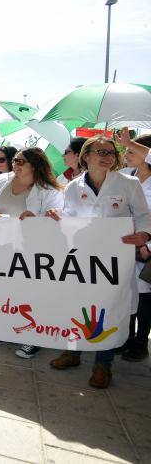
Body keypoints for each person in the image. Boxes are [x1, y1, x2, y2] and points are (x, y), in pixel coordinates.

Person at [45, 135, 151, 388]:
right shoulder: (72, 187)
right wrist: (58, 218)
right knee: (77, 304)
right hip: (82, 258)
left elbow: (144, 214)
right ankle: (73, 352)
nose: (107, 156)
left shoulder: (129, 183)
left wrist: (145, 234)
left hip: (115, 259)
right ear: (86, 156)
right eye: (100, 151)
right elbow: (70, 218)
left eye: (111, 152)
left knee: (109, 309)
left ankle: (103, 365)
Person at [0, 147, 64, 351]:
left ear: (35, 165)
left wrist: (36, 219)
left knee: (29, 294)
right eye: (15, 161)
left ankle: (32, 337)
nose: (15, 165)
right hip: (1, 245)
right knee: (1, 291)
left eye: (21, 162)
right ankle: (2, 330)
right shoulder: (1, 181)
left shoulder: (49, 190)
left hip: (31, 250)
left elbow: (56, 221)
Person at [116, 131, 151, 361]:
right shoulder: (125, 177)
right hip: (123, 245)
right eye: (126, 150)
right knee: (126, 294)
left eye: (132, 150)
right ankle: (125, 337)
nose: (127, 154)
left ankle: (140, 343)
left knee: (145, 297)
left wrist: (148, 244)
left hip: (145, 249)